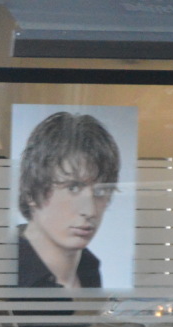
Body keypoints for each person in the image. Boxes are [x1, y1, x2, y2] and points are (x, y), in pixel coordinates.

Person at [15, 111, 120, 291]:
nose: (90, 211)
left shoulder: (89, 270)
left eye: (101, 190)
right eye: (73, 188)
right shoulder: (5, 271)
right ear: (32, 192)